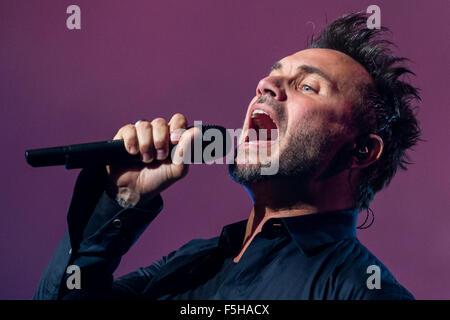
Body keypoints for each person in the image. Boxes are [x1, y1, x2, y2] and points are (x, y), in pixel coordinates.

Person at [34, 12, 420, 300]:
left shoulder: (363, 291)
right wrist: (123, 199)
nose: (266, 85)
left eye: (307, 85)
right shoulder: (190, 263)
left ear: (363, 150)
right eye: (272, 75)